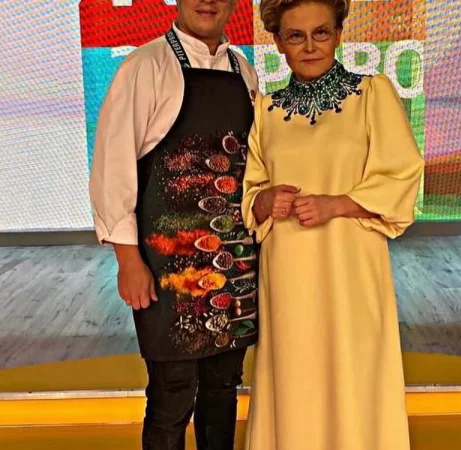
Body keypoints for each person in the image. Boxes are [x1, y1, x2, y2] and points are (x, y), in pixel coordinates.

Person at [241, 0, 424, 448]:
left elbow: (402, 177)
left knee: (355, 373)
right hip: (288, 276)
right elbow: (250, 195)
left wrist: (336, 205)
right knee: (294, 379)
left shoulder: (372, 94)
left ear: (339, 34)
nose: (309, 46)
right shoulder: (265, 110)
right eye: (295, 36)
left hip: (351, 271)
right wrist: (264, 200)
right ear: (278, 42)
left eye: (320, 33)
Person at [89, 0, 260, 449]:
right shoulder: (144, 67)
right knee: (172, 395)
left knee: (223, 388)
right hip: (166, 268)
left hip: (233, 264)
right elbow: (112, 167)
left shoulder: (244, 71)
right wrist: (128, 260)